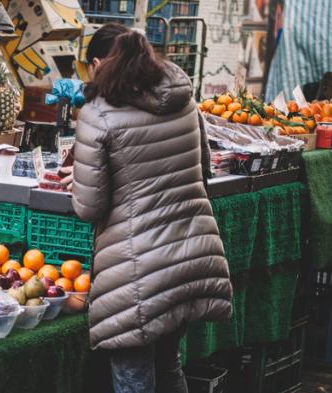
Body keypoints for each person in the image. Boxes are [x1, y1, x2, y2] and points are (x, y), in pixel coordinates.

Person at [61, 24, 233, 393]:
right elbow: (204, 171)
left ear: (97, 65)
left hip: (137, 270)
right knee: (169, 366)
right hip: (189, 256)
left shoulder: (98, 114)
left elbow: (90, 207)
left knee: (133, 379)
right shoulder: (185, 101)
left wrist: (78, 182)